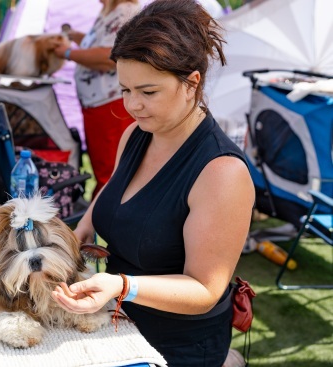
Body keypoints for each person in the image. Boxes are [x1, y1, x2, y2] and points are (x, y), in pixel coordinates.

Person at [51, 1, 255, 366]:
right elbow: (114, 193)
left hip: (177, 345)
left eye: (148, 92)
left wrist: (123, 286)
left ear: (191, 83)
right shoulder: (136, 134)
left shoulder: (222, 173)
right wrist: (82, 228)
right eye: (125, 89)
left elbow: (205, 289)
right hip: (117, 323)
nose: (131, 105)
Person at [54, 0, 139, 199]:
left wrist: (67, 53)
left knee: (109, 171)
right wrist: (76, 37)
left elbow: (109, 56)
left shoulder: (125, 12)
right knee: (102, 167)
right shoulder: (109, 12)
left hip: (109, 105)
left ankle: (104, 220)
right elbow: (100, 43)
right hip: (97, 104)